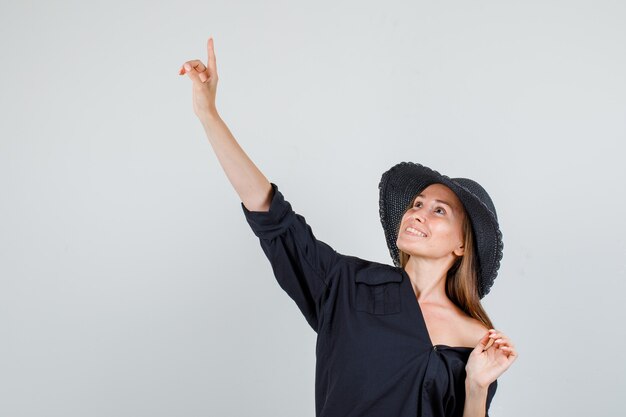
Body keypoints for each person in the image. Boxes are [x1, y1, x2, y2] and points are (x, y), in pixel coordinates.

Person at [179, 37, 518, 417]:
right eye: (417, 204)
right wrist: (209, 114)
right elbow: (271, 216)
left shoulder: (478, 341)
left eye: (440, 211)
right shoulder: (347, 284)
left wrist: (475, 387)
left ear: (461, 245)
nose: (418, 212)